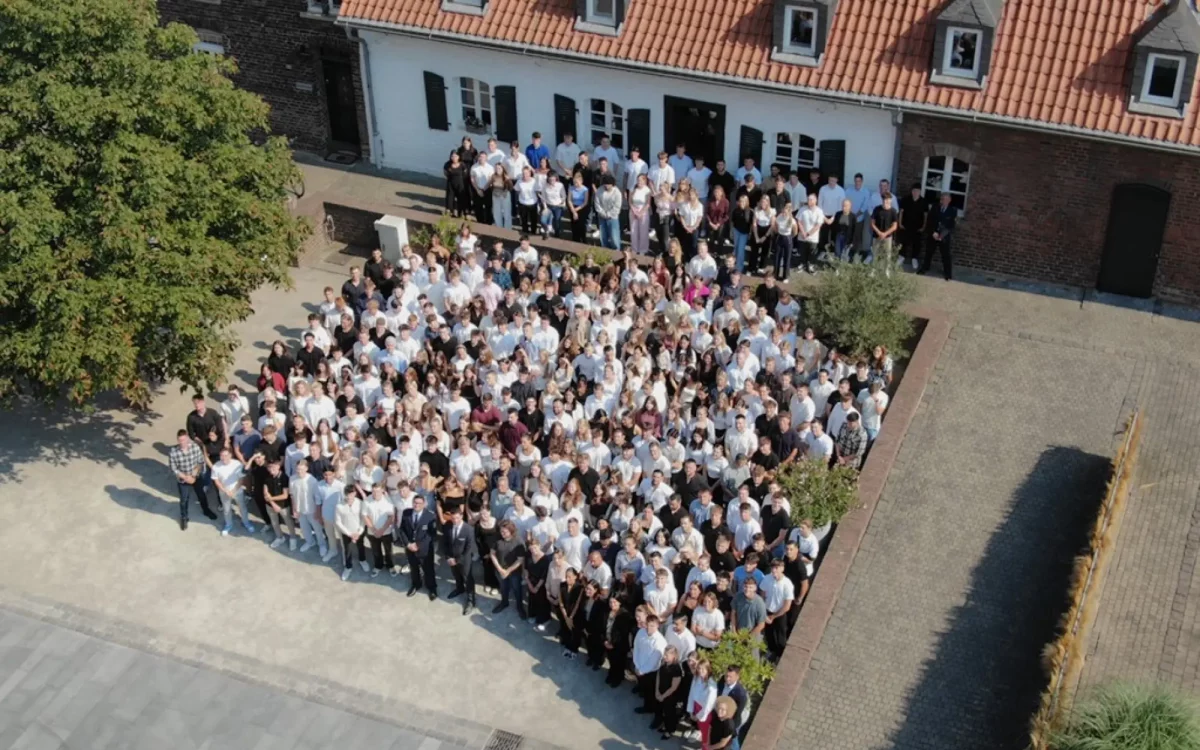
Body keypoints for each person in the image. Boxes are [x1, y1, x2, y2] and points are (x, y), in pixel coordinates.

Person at [169, 429, 216, 530]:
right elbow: (173, 469)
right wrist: (185, 477)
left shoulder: (194, 447)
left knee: (201, 495)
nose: (183, 443)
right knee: (183, 499)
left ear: (188, 439)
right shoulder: (173, 452)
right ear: (177, 440)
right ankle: (184, 517)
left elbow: (200, 461)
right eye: (180, 440)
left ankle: (206, 510)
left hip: (196, 476)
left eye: (184, 440)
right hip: (183, 478)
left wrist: (194, 474)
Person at [398, 494, 439, 599]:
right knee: (414, 567)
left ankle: (431, 588)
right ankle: (416, 584)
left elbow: (431, 535)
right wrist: (408, 544)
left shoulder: (430, 516)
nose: (416, 505)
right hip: (410, 548)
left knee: (428, 569)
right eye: (415, 503)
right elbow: (402, 530)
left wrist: (418, 545)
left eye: (419, 503)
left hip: (425, 549)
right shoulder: (406, 513)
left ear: (424, 504)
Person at [760, 558, 795, 660]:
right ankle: (771, 651)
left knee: (780, 635)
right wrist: (765, 613)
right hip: (767, 611)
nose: (774, 570)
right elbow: (762, 595)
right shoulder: (767, 578)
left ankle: (780, 655)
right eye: (773, 568)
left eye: (777, 568)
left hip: (780, 613)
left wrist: (774, 616)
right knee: (769, 634)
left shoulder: (787, 584)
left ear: (782, 569)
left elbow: (787, 606)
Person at [445, 507, 478, 614]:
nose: (455, 521)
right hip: (451, 558)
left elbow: (469, 548)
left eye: (457, 518)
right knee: (456, 575)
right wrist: (448, 557)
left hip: (464, 560)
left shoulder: (469, 529)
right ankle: (459, 589)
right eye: (453, 518)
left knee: (467, 579)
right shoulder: (448, 526)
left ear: (461, 516)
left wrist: (457, 560)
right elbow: (445, 543)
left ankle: (471, 601)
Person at [491, 520, 527, 615]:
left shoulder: (518, 541)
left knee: (517, 589)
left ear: (511, 531)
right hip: (501, 570)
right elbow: (492, 554)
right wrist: (499, 569)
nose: (502, 533)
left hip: (514, 572)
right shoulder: (497, 539)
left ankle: (519, 606)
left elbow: (520, 559)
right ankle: (504, 603)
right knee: (503, 588)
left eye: (504, 532)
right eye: (501, 531)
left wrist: (508, 570)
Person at [921, 191, 959, 280]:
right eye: (942, 199)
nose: (944, 201)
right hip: (933, 234)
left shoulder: (952, 211)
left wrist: (941, 235)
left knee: (946, 255)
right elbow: (930, 221)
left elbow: (951, 226)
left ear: (949, 200)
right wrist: (933, 232)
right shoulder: (935, 207)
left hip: (944, 237)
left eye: (946, 199)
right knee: (928, 252)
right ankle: (925, 268)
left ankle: (948, 274)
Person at [334, 484, 366, 581]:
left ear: (355, 493)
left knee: (361, 546)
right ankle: (348, 567)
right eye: (347, 494)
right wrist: (349, 534)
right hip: (346, 532)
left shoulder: (360, 503)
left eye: (351, 494)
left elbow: (363, 519)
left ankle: (362, 560)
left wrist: (359, 532)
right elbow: (338, 522)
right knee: (348, 550)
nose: (349, 496)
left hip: (358, 531)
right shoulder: (339, 506)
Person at [899, 182, 930, 270]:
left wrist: (924, 226)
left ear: (920, 192)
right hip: (906, 225)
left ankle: (914, 258)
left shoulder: (924, 202)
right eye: (914, 191)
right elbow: (901, 212)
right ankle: (902, 256)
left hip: (918, 227)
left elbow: (925, 215)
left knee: (917, 243)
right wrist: (900, 223)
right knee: (904, 241)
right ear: (911, 191)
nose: (915, 192)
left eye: (917, 191)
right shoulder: (905, 199)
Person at [797, 192, 824, 274]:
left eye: (812, 199)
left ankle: (810, 265)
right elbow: (799, 221)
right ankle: (803, 264)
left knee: (812, 253)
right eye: (808, 199)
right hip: (802, 236)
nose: (810, 201)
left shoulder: (819, 211)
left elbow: (818, 225)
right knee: (802, 251)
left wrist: (808, 234)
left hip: (813, 237)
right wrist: (803, 232)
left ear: (816, 200)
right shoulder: (802, 209)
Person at [870, 193, 899, 266]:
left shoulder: (893, 211)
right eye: (884, 199)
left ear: (890, 200)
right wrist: (879, 232)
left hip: (888, 237)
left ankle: (887, 272)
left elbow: (895, 226)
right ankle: (873, 270)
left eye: (887, 199)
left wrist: (885, 234)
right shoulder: (877, 209)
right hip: (876, 236)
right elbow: (872, 223)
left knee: (887, 255)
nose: (885, 201)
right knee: (875, 254)